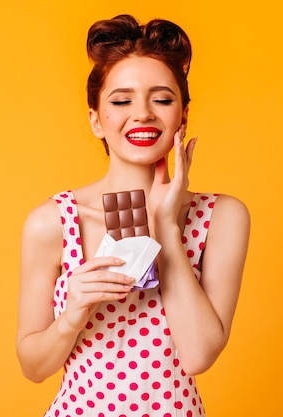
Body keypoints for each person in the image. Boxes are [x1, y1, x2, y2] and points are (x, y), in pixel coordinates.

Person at [16, 14, 250, 417]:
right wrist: (71, 316)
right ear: (96, 120)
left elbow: (197, 356)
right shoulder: (53, 221)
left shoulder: (222, 216)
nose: (141, 114)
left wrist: (166, 229)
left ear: (183, 115)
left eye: (161, 99)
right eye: (121, 101)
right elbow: (33, 367)